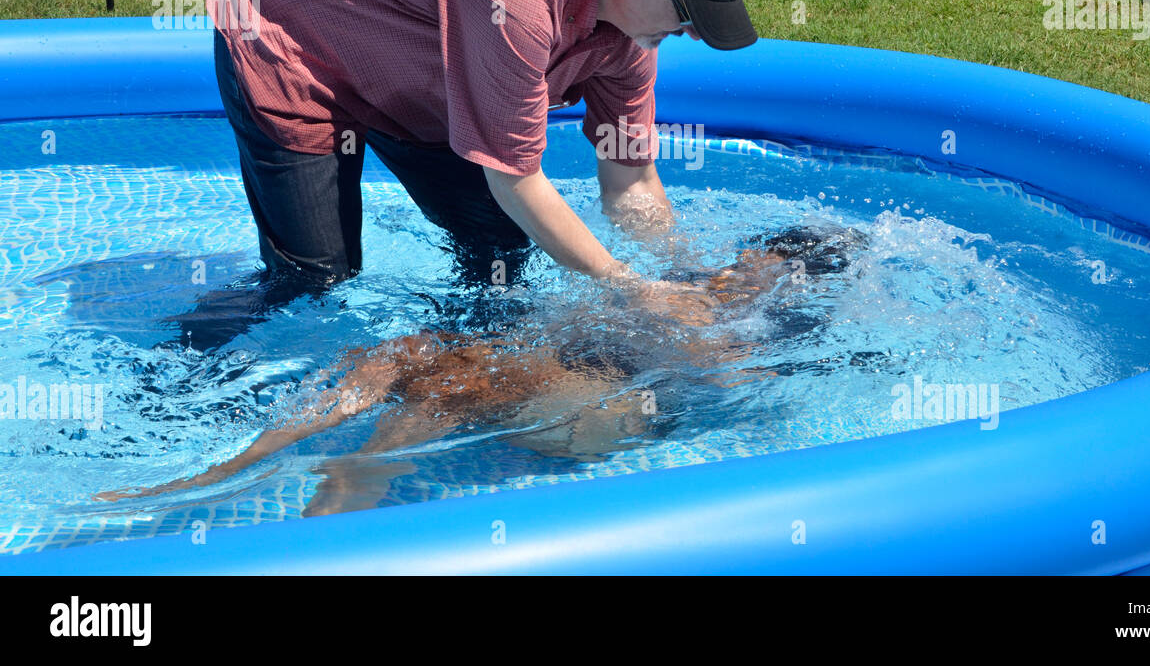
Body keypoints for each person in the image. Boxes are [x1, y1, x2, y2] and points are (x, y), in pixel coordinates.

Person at [206, 0, 755, 328]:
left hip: (418, 58)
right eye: (689, 16)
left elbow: (630, 181)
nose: (695, 35)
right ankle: (172, 383)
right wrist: (630, 287)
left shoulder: (631, 36)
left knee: (501, 249)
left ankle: (453, 377)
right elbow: (515, 178)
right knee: (313, 284)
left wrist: (686, 278)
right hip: (289, 22)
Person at [98, 232, 842, 515]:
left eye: (762, 268)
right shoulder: (686, 286)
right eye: (749, 253)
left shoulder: (741, 336)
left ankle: (364, 472)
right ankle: (241, 463)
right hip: (552, 374)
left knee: (458, 379)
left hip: (608, 416)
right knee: (404, 349)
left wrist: (707, 344)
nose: (740, 266)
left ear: (791, 289)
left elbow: (736, 392)